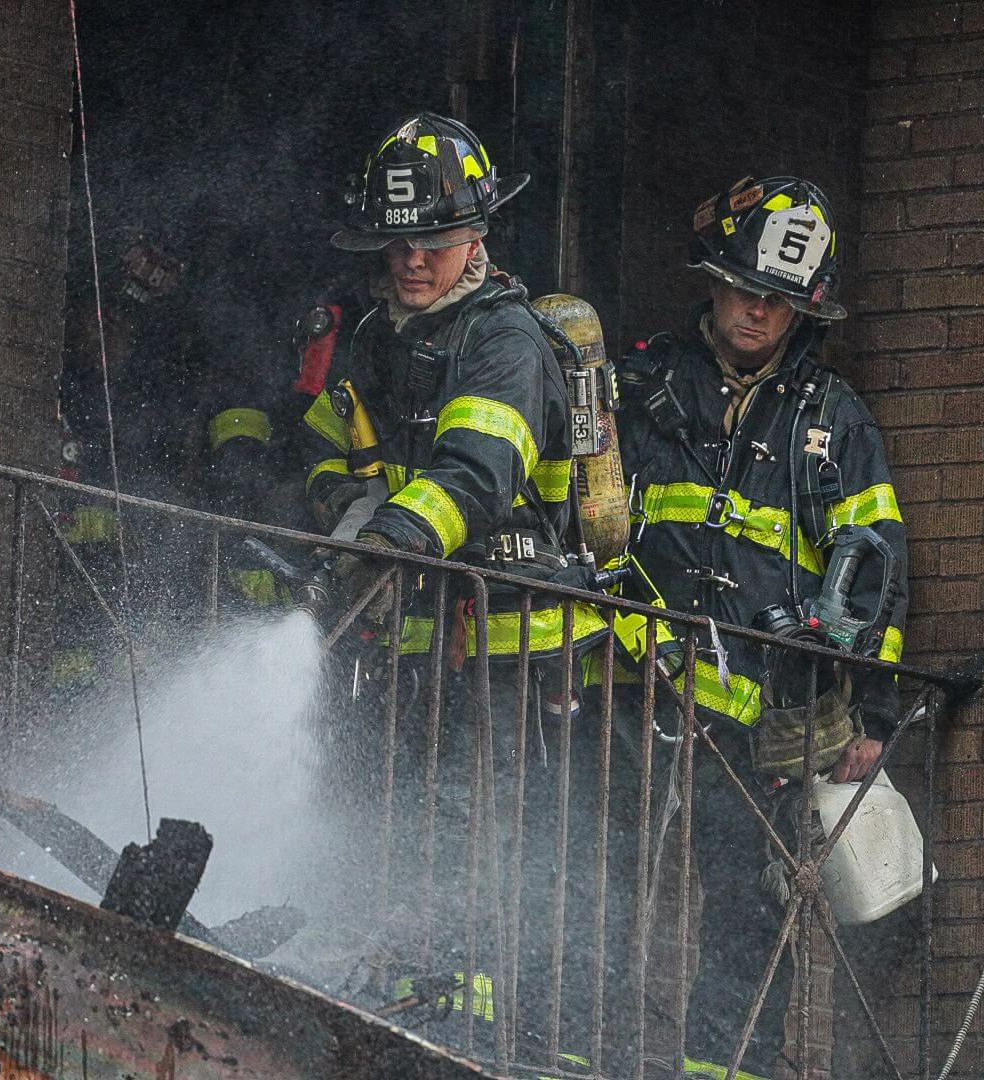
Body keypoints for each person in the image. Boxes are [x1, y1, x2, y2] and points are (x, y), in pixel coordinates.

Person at [296, 111, 614, 1070]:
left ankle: (467, 1025)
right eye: (397, 244)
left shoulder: (505, 341)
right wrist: (343, 510)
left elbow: (478, 473)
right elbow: (319, 447)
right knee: (392, 811)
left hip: (507, 645)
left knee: (471, 824)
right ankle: (396, 991)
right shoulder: (377, 341)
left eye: (433, 242)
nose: (412, 262)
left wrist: (388, 538)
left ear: (476, 236)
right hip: (413, 639)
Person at [615, 176, 909, 1077]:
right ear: (713, 281)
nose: (756, 312)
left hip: (762, 723)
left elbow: (878, 571)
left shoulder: (834, 423)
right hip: (634, 686)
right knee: (594, 874)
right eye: (746, 289)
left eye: (778, 302)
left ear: (803, 312)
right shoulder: (645, 387)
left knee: (750, 914)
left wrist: (878, 717)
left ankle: (723, 1071)